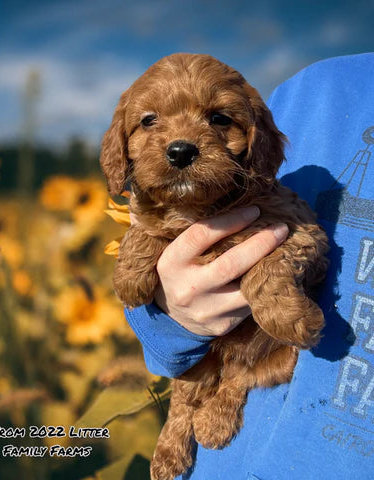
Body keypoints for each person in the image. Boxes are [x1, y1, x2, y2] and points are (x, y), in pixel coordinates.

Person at [125, 53, 374, 480]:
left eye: (219, 119)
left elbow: (298, 234)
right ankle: (179, 425)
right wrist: (166, 314)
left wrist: (269, 286)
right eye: (149, 121)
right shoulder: (313, 91)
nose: (181, 139)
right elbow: (164, 325)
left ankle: (232, 393)